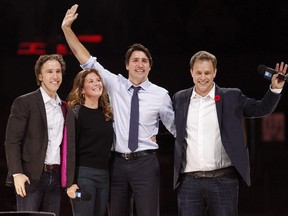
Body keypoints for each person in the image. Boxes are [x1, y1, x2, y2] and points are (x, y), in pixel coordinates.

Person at [61, 4, 175, 216]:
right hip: (116, 165)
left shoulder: (161, 95)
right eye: (135, 60)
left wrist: (158, 134)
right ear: (127, 65)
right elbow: (85, 60)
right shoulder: (114, 84)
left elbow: (176, 128)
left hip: (146, 164)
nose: (139, 64)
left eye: (144, 61)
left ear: (150, 66)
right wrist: (67, 29)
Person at [172, 50, 287, 216]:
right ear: (191, 72)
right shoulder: (180, 98)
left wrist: (275, 89)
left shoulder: (232, 96)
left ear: (215, 72)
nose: (202, 77)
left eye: (207, 72)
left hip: (224, 181)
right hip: (189, 183)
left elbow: (261, 109)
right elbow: (168, 123)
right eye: (198, 72)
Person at [4, 54, 76, 216]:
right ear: (40, 76)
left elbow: (68, 146)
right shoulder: (24, 102)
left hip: (56, 179)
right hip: (30, 177)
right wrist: (17, 173)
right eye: (50, 71)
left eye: (58, 71)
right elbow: (12, 141)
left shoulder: (65, 109)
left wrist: (69, 180)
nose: (55, 76)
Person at [65, 68, 113, 216]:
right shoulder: (75, 113)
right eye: (90, 81)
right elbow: (68, 149)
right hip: (83, 176)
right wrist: (70, 183)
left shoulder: (107, 114)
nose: (97, 83)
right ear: (82, 89)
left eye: (98, 80)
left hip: (104, 177)